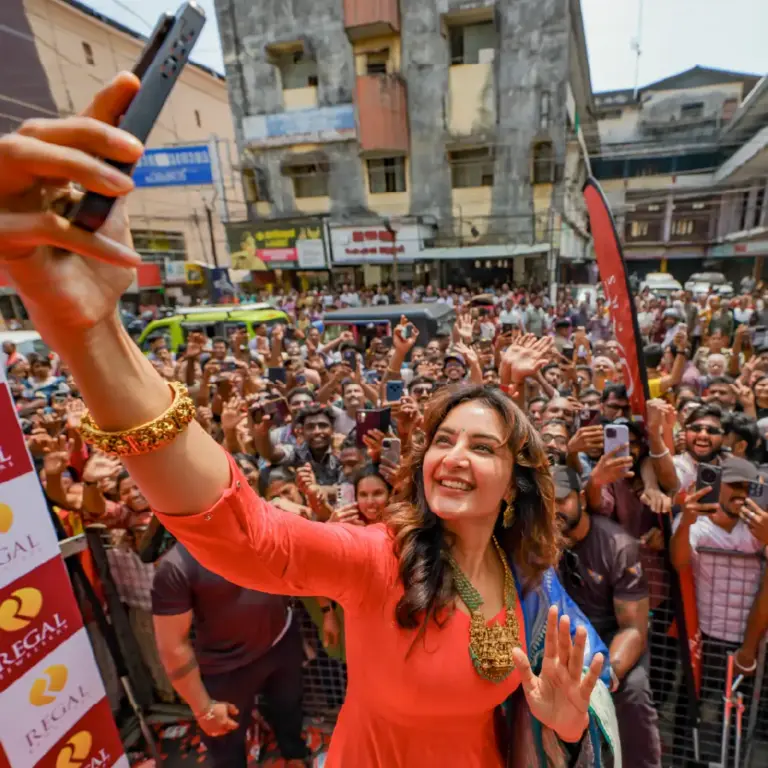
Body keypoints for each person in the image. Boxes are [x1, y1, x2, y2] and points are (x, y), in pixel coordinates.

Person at [0, 76, 617, 767]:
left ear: (514, 484)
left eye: (482, 447)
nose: (452, 456)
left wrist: (565, 728)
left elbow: (566, 704)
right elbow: (245, 534)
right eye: (442, 439)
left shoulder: (532, 579)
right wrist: (91, 334)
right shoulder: (378, 560)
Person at [152, 542, 310, 767]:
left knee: (288, 705)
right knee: (225, 740)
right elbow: (173, 646)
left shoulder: (261, 527)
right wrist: (202, 708)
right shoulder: (175, 565)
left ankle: (294, 754)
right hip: (226, 665)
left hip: (281, 641)